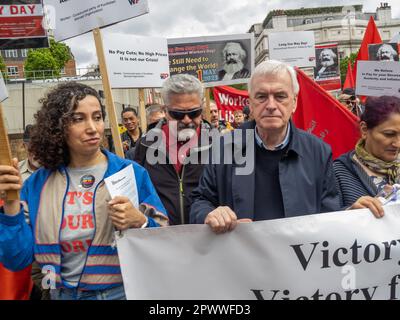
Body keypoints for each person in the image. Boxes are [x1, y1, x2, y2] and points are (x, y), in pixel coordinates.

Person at [0, 82, 168, 300]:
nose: (92, 127)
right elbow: (16, 259)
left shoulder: (130, 173)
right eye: (78, 119)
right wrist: (11, 205)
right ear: (57, 126)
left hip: (121, 294)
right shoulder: (37, 184)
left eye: (97, 117)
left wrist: (140, 221)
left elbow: (164, 239)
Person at [190, 60, 383, 233]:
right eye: (261, 96)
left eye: (280, 96)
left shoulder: (318, 151)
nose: (271, 105)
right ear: (251, 102)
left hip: (300, 266)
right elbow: (200, 201)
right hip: (244, 266)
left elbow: (328, 213)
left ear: (294, 102)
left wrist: (350, 213)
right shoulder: (225, 147)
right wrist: (210, 213)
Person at [133, 74, 211, 225]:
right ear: (165, 111)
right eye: (178, 114)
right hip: (161, 239)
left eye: (194, 112)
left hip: (206, 238)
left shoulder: (217, 144)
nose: (187, 120)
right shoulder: (146, 144)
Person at [334, 96, 400, 209]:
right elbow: (323, 220)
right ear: (364, 130)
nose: (397, 144)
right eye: (389, 134)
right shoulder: (338, 173)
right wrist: (349, 212)